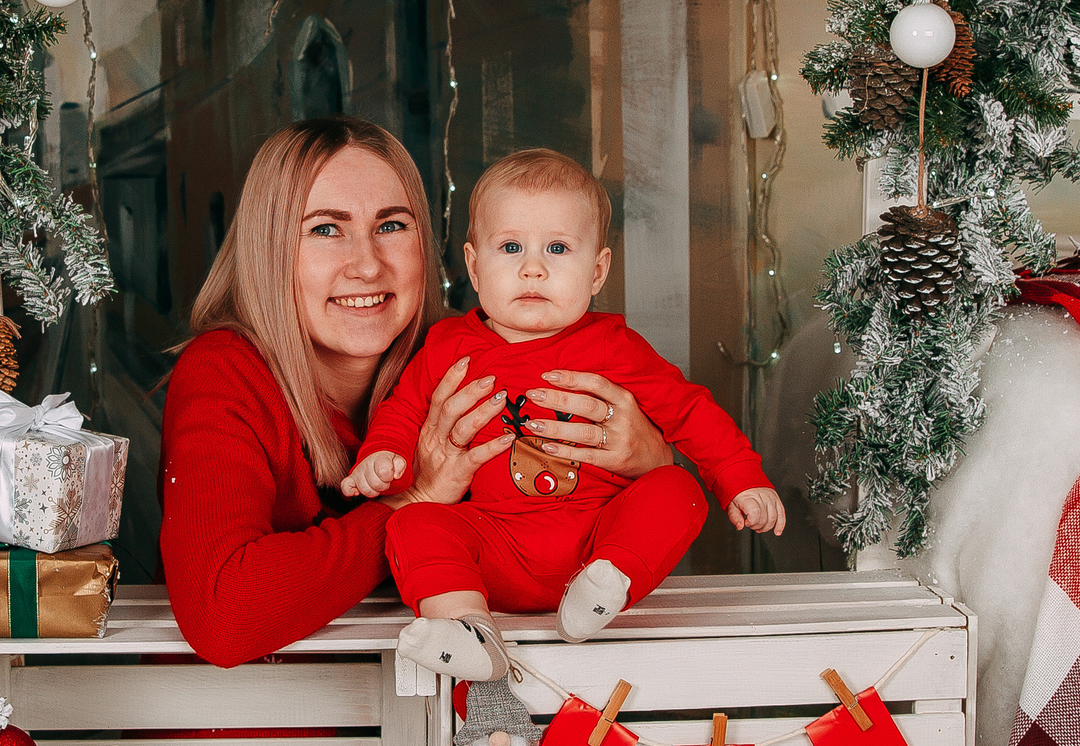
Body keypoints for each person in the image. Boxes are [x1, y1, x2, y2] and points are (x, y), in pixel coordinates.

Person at [161, 118, 678, 667]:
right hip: (249, 733)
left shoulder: (464, 359)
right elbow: (223, 614)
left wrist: (647, 460)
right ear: (268, 250)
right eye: (325, 229)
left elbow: (566, 537)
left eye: (392, 226)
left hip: (445, 721)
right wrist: (412, 502)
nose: (366, 265)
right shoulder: (224, 374)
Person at [341, 148, 784, 680]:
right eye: (510, 247)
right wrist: (382, 457)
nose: (533, 267)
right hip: (494, 542)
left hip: (597, 537)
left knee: (677, 489)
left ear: (597, 270)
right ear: (475, 267)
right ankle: (467, 629)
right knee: (413, 522)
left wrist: (740, 477)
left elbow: (689, 410)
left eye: (557, 247)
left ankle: (604, 587)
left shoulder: (613, 345)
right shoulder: (447, 346)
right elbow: (404, 411)